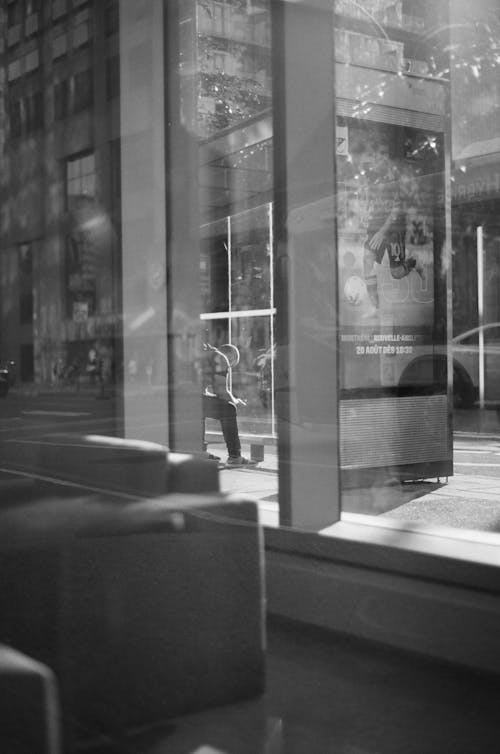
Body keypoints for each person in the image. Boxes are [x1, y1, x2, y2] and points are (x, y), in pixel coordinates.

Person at [362, 148, 425, 318]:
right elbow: (372, 200)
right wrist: (366, 213)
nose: (375, 159)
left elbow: (396, 210)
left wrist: (382, 231)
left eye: (379, 156)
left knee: (396, 273)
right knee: (367, 259)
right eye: (374, 156)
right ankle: (375, 308)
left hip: (393, 229)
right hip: (376, 226)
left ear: (386, 158)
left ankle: (413, 263)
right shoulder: (372, 177)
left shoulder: (395, 179)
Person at [202, 342, 254, 467]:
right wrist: (235, 402)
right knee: (229, 409)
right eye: (232, 365)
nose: (229, 367)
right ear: (231, 357)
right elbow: (222, 392)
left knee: (200, 407)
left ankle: (199, 452)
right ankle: (235, 457)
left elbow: (202, 392)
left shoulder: (205, 354)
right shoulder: (220, 358)